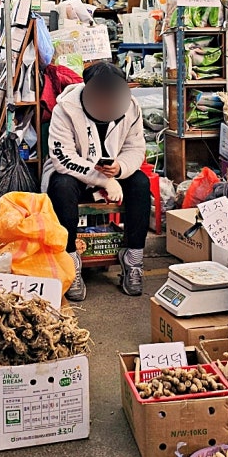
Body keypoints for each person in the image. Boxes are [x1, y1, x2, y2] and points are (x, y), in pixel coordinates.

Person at [42, 62, 150, 301]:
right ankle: (70, 262)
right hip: (76, 173)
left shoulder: (131, 108)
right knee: (60, 186)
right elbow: (62, 158)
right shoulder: (66, 109)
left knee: (141, 184)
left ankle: (133, 258)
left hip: (114, 172)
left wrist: (119, 168)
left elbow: (135, 148)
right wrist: (103, 180)